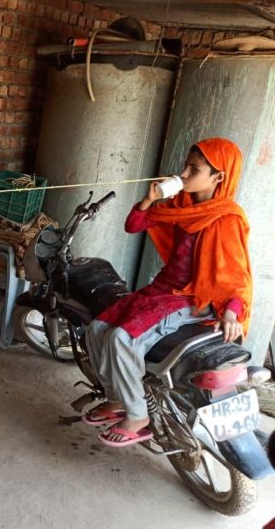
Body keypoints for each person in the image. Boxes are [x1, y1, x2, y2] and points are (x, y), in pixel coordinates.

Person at [83, 138, 253, 447]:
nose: (184, 174)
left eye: (194, 169)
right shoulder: (182, 206)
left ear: (219, 177)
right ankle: (116, 398)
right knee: (97, 329)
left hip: (192, 299)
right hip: (163, 289)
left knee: (122, 338)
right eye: (185, 166)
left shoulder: (225, 219)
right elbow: (134, 225)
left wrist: (233, 312)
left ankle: (138, 415)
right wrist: (149, 199)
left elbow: (237, 275)